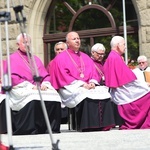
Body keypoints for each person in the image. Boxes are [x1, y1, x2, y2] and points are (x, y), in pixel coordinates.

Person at [50, 31, 115, 132]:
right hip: (70, 87)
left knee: (104, 92)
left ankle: (104, 124)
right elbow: (63, 76)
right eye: (74, 39)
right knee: (84, 94)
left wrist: (92, 82)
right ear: (68, 43)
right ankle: (88, 125)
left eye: (78, 38)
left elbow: (93, 72)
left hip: (87, 85)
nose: (77, 40)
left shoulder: (85, 56)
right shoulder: (60, 58)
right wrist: (82, 84)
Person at [0, 33, 61, 135]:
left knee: (54, 96)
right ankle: (31, 128)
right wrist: (30, 86)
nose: (27, 44)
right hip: (20, 87)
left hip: (38, 87)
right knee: (33, 97)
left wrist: (45, 83)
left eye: (29, 42)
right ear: (17, 44)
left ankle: (50, 128)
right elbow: (12, 78)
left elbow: (45, 75)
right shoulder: (12, 58)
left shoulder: (35, 59)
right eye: (24, 42)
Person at [103, 35, 150, 129]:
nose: (125, 47)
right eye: (124, 44)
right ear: (117, 45)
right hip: (124, 92)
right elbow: (125, 79)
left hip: (123, 89)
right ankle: (144, 123)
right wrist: (143, 85)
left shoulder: (114, 56)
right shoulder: (114, 57)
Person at [91, 43, 123, 127]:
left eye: (103, 54)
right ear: (93, 52)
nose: (101, 56)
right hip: (95, 87)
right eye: (99, 54)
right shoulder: (89, 63)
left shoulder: (103, 63)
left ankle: (118, 121)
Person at [47, 41, 68, 124]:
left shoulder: (69, 61)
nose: (59, 51)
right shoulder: (51, 63)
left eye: (62, 49)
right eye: (57, 49)